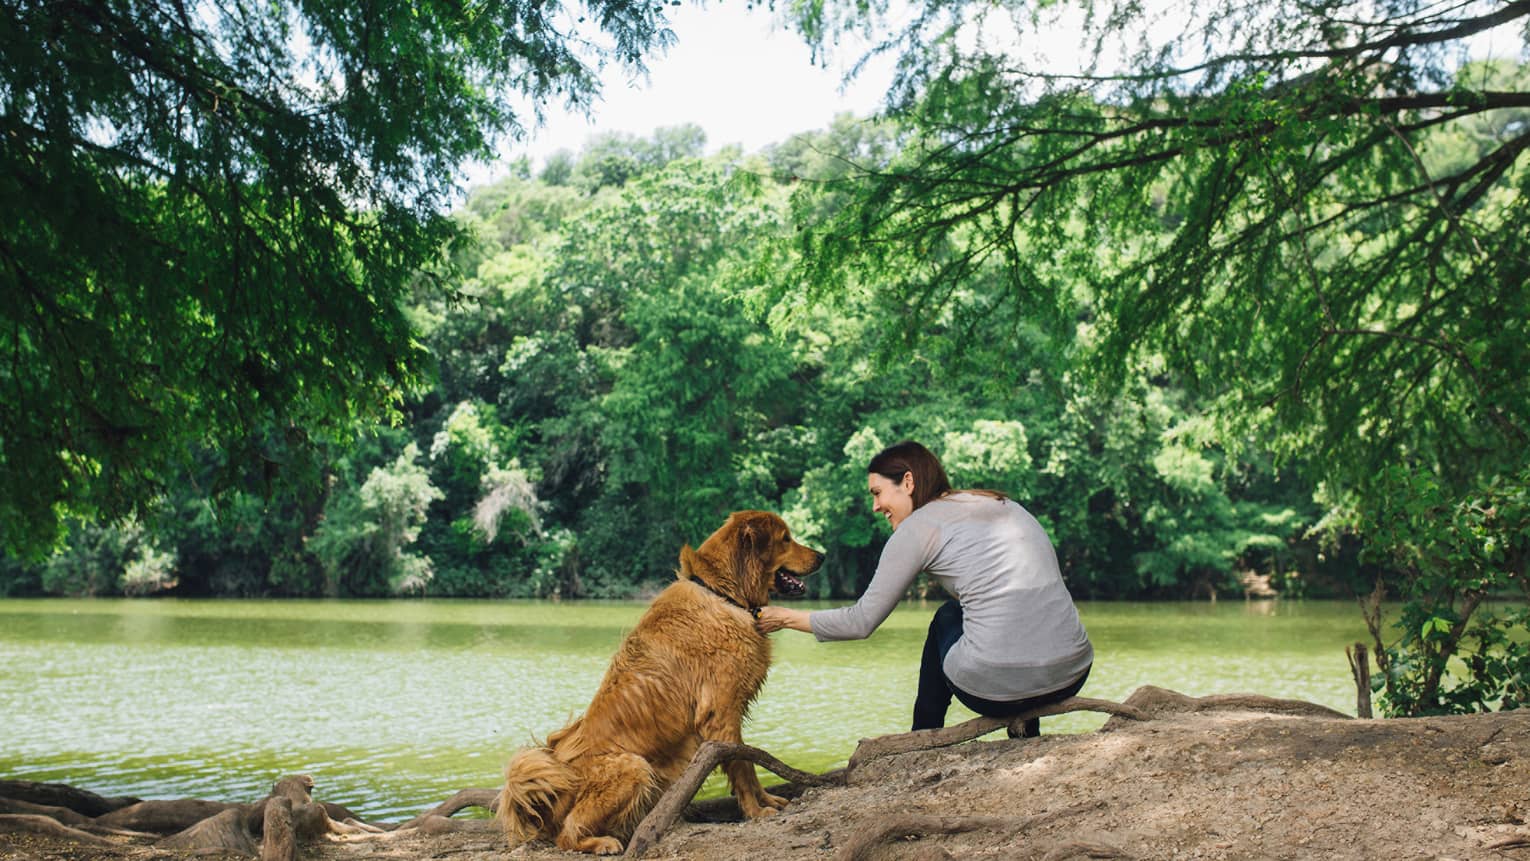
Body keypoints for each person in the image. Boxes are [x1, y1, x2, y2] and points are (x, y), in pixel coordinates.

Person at [755, 440, 1093, 734]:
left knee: (947, 618)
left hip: (995, 692)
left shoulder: (917, 527)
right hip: (1072, 671)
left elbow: (860, 622)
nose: (875, 507)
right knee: (983, 615)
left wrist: (782, 617)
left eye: (877, 493)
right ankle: (1025, 730)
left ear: (908, 481)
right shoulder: (1001, 504)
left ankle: (922, 739)